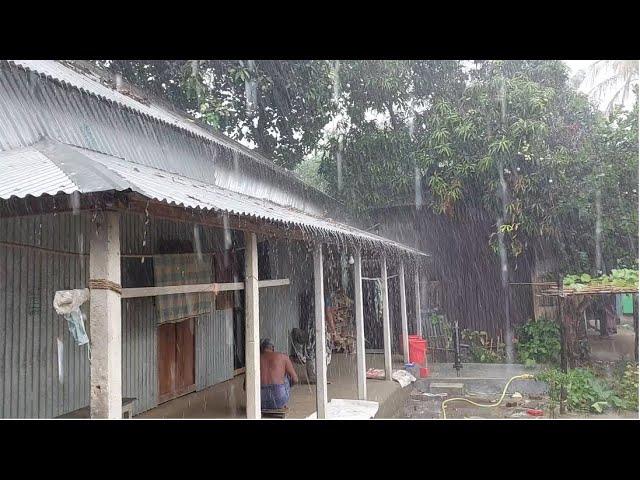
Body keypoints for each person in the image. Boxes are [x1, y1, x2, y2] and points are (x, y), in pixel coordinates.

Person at [260, 338, 298, 410]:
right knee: (286, 376)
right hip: (279, 400)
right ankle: (282, 401)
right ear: (273, 348)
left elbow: (246, 387)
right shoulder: (283, 357)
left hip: (260, 402)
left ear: (260, 349)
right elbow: (295, 379)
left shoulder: (254, 359)